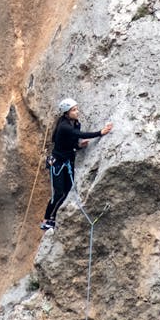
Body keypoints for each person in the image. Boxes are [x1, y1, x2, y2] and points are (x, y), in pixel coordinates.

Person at [40, 98, 113, 230]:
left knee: (67, 191)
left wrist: (78, 145)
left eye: (76, 109)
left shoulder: (75, 124)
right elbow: (78, 134)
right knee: (58, 192)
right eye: (74, 110)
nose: (77, 112)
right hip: (57, 164)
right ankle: (46, 219)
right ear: (66, 113)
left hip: (67, 161)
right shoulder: (64, 126)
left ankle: (53, 218)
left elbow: (71, 142)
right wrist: (100, 133)